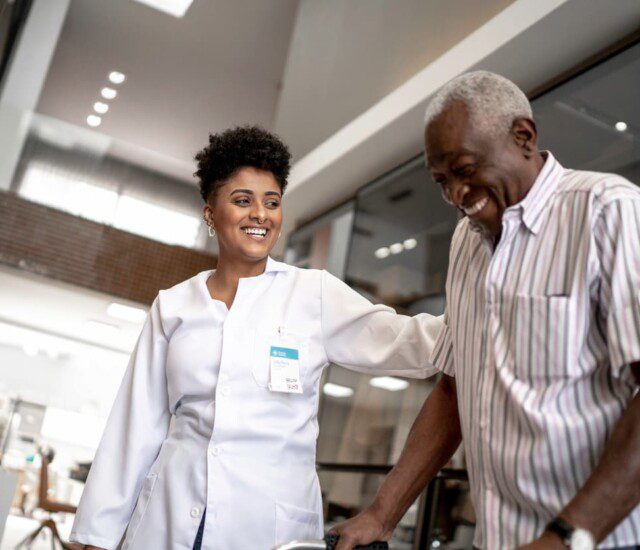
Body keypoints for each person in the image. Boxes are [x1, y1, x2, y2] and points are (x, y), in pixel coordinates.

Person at [69, 126, 443, 550]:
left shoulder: (313, 294)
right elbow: (134, 426)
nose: (260, 215)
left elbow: (410, 342)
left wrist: (484, 320)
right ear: (210, 213)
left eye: (272, 202)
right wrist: (96, 537)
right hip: (171, 518)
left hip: (269, 525)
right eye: (242, 200)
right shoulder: (173, 306)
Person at [331, 71, 640, 550]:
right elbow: (454, 390)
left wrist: (565, 537)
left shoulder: (607, 211)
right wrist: (381, 514)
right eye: (442, 181)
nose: (456, 194)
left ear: (524, 136)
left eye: (466, 168)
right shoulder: (466, 242)